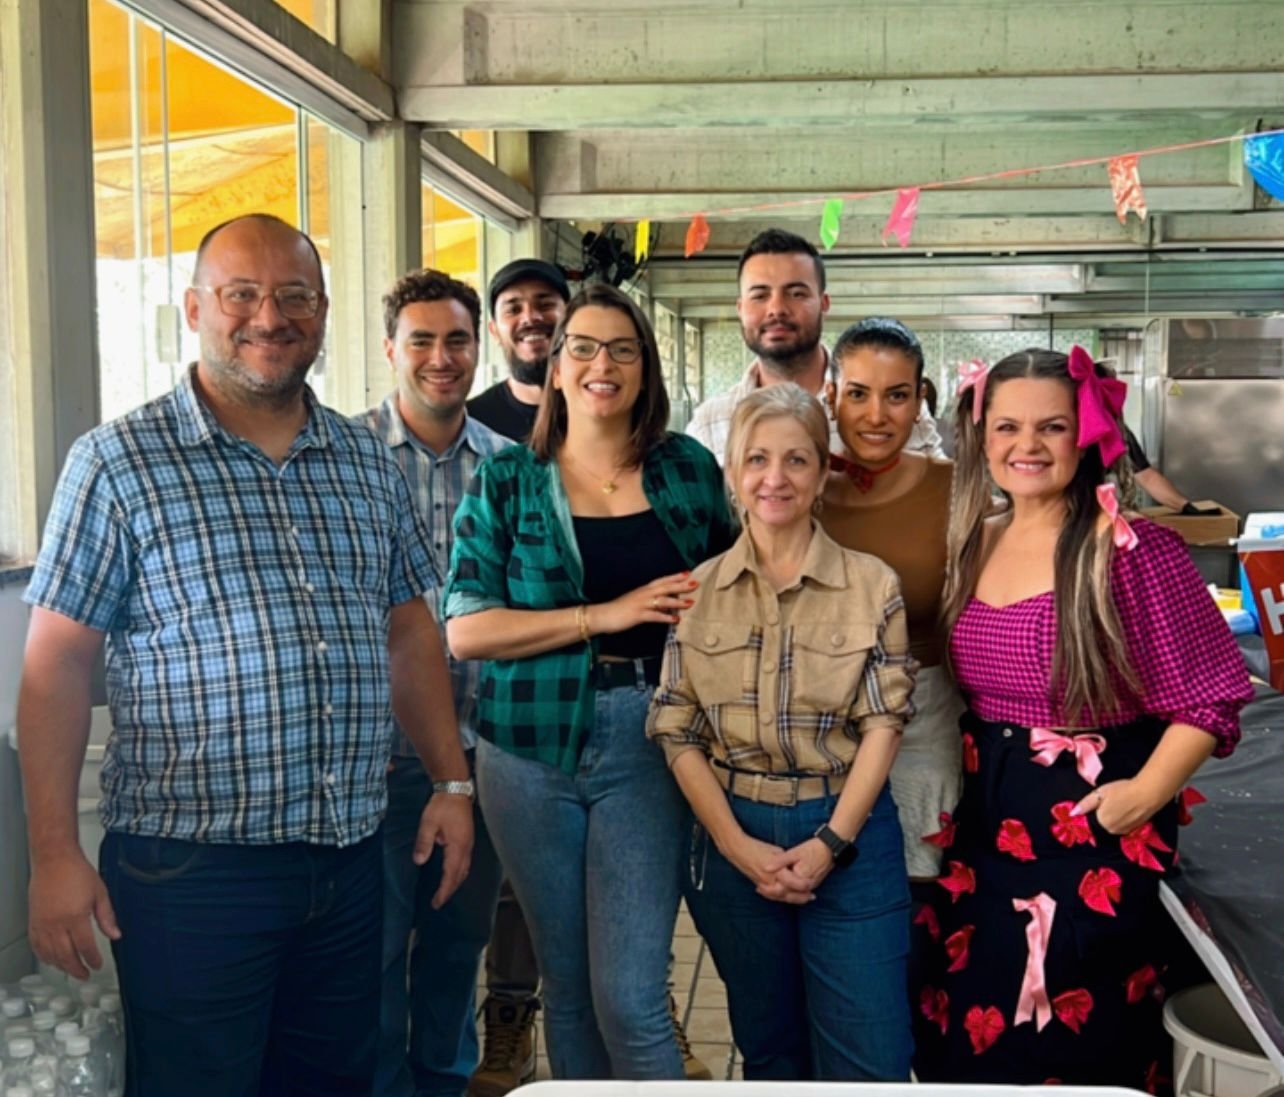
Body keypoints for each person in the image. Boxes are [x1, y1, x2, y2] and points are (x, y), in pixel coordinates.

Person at [17, 213, 474, 1097]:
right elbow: (55, 666)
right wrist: (54, 854)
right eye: (241, 295)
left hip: (347, 859)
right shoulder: (118, 462)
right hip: (193, 873)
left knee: (335, 1082)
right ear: (195, 308)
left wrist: (451, 782)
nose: (269, 317)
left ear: (323, 311)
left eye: (294, 296)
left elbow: (408, 630)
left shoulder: (363, 460)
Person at [914, 347, 1253, 1088]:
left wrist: (1144, 794)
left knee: (1075, 1033)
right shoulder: (976, 538)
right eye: (1007, 426)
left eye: (1052, 427)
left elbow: (1212, 693)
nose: (1027, 445)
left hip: (1092, 832)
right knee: (971, 1029)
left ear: (1088, 434)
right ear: (982, 436)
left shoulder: (1133, 550)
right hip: (983, 829)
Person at [444, 284, 734, 1081]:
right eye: (584, 347)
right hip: (526, 747)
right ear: (557, 362)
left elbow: (736, 591)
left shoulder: (687, 469)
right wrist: (604, 615)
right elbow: (466, 628)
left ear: (645, 368)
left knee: (632, 996)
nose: (602, 364)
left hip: (654, 736)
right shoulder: (508, 479)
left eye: (622, 349)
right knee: (568, 988)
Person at [648, 383, 917, 1082]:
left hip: (848, 833)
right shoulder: (696, 591)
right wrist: (735, 845)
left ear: (823, 473)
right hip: (733, 834)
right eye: (757, 459)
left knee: (871, 1061)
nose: (776, 477)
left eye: (796, 459)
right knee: (771, 1056)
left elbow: (885, 722)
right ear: (733, 474)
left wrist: (830, 844)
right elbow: (675, 727)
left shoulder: (872, 585)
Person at [359, 269, 512, 1097]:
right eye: (421, 340)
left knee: (458, 942)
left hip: (481, 752)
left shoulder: (514, 467)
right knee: (375, 950)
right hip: (377, 760)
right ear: (390, 348)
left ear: (478, 346)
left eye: (457, 339)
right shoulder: (344, 458)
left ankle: (445, 1083)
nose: (441, 357)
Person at [465, 258, 570, 1093]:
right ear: (497, 327)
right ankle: (507, 1014)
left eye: (547, 303)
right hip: (485, 686)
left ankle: (627, 1012)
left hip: (591, 693)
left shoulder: (610, 414)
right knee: (501, 878)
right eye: (514, 306)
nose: (532, 317)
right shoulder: (480, 434)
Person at [820, 319, 964, 888]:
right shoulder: (795, 488)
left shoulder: (957, 489)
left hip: (922, 722)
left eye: (896, 396)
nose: (876, 416)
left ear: (920, 397)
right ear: (831, 394)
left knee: (916, 898)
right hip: (815, 724)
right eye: (858, 394)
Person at [685, 228, 944, 463]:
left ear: (824, 304)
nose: (777, 309)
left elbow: (943, 488)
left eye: (796, 293)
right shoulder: (709, 424)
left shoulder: (893, 407)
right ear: (740, 309)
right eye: (760, 296)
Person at [467, 258, 571, 443]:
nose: (530, 318)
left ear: (571, 318)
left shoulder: (602, 410)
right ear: (494, 331)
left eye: (545, 305)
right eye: (513, 310)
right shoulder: (471, 424)